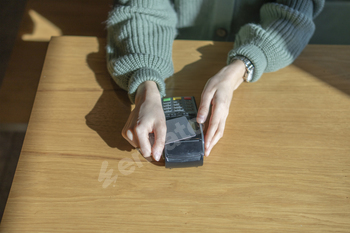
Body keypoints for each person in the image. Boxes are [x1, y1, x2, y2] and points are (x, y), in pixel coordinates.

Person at [106, 0, 324, 162]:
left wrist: (242, 67)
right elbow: (140, 8)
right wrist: (146, 83)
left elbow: (293, 14)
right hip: (164, 51)